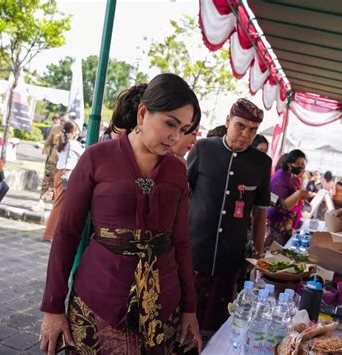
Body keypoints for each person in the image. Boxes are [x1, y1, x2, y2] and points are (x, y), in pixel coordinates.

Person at [39, 74, 202, 354]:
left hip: (162, 307)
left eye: (184, 128)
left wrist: (190, 308)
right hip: (97, 300)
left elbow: (182, 242)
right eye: (170, 124)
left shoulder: (176, 170)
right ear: (142, 113)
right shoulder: (96, 158)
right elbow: (67, 233)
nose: (176, 136)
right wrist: (53, 306)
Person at [187, 98, 271, 333]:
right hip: (194, 247)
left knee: (217, 319)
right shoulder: (203, 148)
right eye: (240, 126)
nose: (246, 134)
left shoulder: (262, 163)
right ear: (227, 122)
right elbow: (182, 193)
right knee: (184, 312)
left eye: (253, 130)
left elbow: (260, 211)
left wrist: (258, 252)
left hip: (231, 253)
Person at [42, 121, 84, 241]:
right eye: (76, 130)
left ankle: (52, 232)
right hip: (66, 174)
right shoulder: (73, 144)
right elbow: (84, 155)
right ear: (73, 131)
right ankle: (49, 233)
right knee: (59, 205)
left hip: (60, 173)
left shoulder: (63, 142)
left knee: (60, 205)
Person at [265, 149, 310, 247]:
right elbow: (280, 205)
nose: (301, 167)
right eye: (297, 163)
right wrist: (299, 194)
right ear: (289, 164)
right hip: (274, 226)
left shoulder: (291, 177)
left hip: (283, 226)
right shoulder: (280, 178)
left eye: (302, 164)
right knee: (268, 256)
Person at [33, 114, 68, 211]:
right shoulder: (55, 129)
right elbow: (48, 142)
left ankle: (55, 206)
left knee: (59, 184)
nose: (62, 122)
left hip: (64, 164)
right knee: (47, 180)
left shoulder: (71, 132)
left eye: (64, 121)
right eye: (61, 120)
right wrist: (48, 154)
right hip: (53, 159)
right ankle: (41, 202)